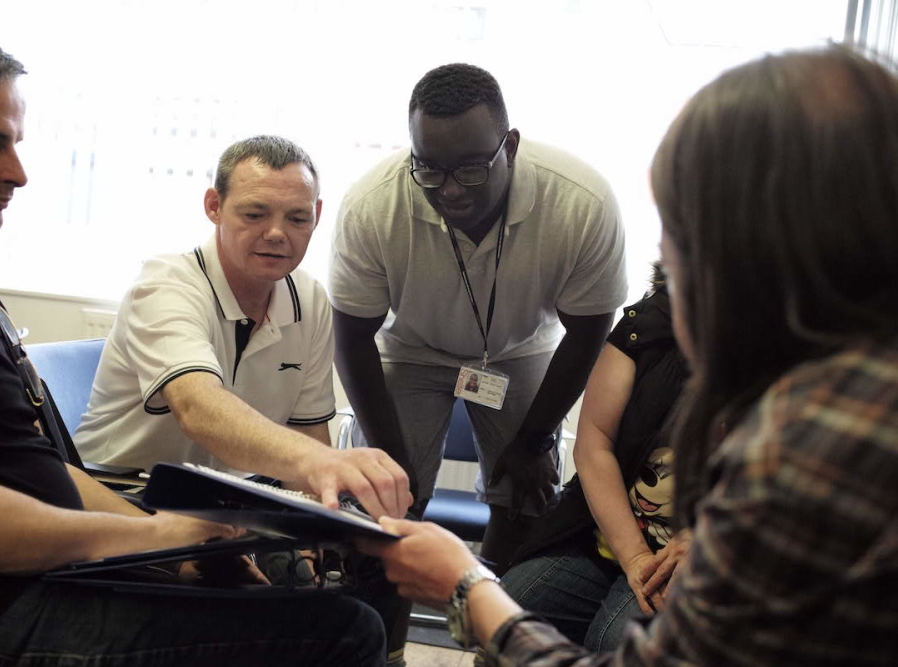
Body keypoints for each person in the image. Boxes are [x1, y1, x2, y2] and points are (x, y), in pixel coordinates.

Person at [360, 45, 898, 665]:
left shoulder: (811, 447)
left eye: (679, 235)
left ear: (747, 251)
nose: (666, 267)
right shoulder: (849, 391)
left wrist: (468, 586)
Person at [0, 16, 385, 667]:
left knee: (300, 594)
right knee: (343, 631)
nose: (18, 172)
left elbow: (46, 476)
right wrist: (151, 535)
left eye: (16, 143)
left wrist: (172, 546)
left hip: (61, 563)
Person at [330, 63, 628, 570]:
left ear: (509, 146)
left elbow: (590, 330)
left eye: (471, 169)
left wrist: (534, 441)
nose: (449, 190)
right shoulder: (373, 206)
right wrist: (389, 455)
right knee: (385, 494)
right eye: (430, 170)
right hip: (411, 347)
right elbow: (353, 338)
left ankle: (492, 631)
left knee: (525, 492)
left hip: (519, 348)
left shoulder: (581, 202)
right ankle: (384, 644)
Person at [74, 135, 410, 522]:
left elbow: (308, 434)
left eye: (297, 218)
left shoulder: (311, 299)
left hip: (228, 502)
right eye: (255, 214)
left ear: (317, 214)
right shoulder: (165, 285)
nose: (276, 233)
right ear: (214, 207)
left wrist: (316, 526)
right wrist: (323, 462)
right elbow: (198, 408)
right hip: (122, 495)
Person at [500, 263, 689, 651]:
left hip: (692, 554)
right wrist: (634, 556)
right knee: (511, 610)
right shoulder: (649, 322)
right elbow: (595, 441)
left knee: (616, 640)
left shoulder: (795, 348)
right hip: (609, 537)